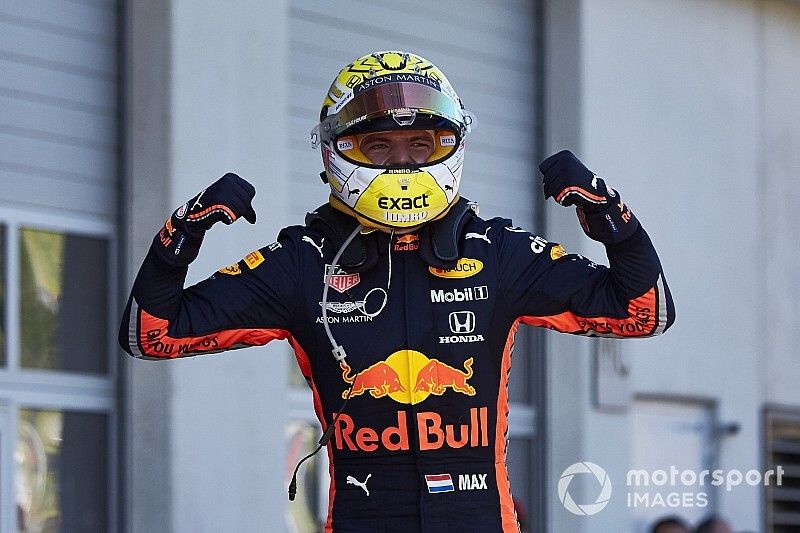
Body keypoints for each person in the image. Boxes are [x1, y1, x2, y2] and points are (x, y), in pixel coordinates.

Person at [119, 51, 675, 532]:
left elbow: (644, 311)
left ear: (450, 144)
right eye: (379, 145)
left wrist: (613, 220)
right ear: (335, 151)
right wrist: (181, 235)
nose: (403, 160)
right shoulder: (302, 261)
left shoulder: (496, 251)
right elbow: (150, 333)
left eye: (420, 142)